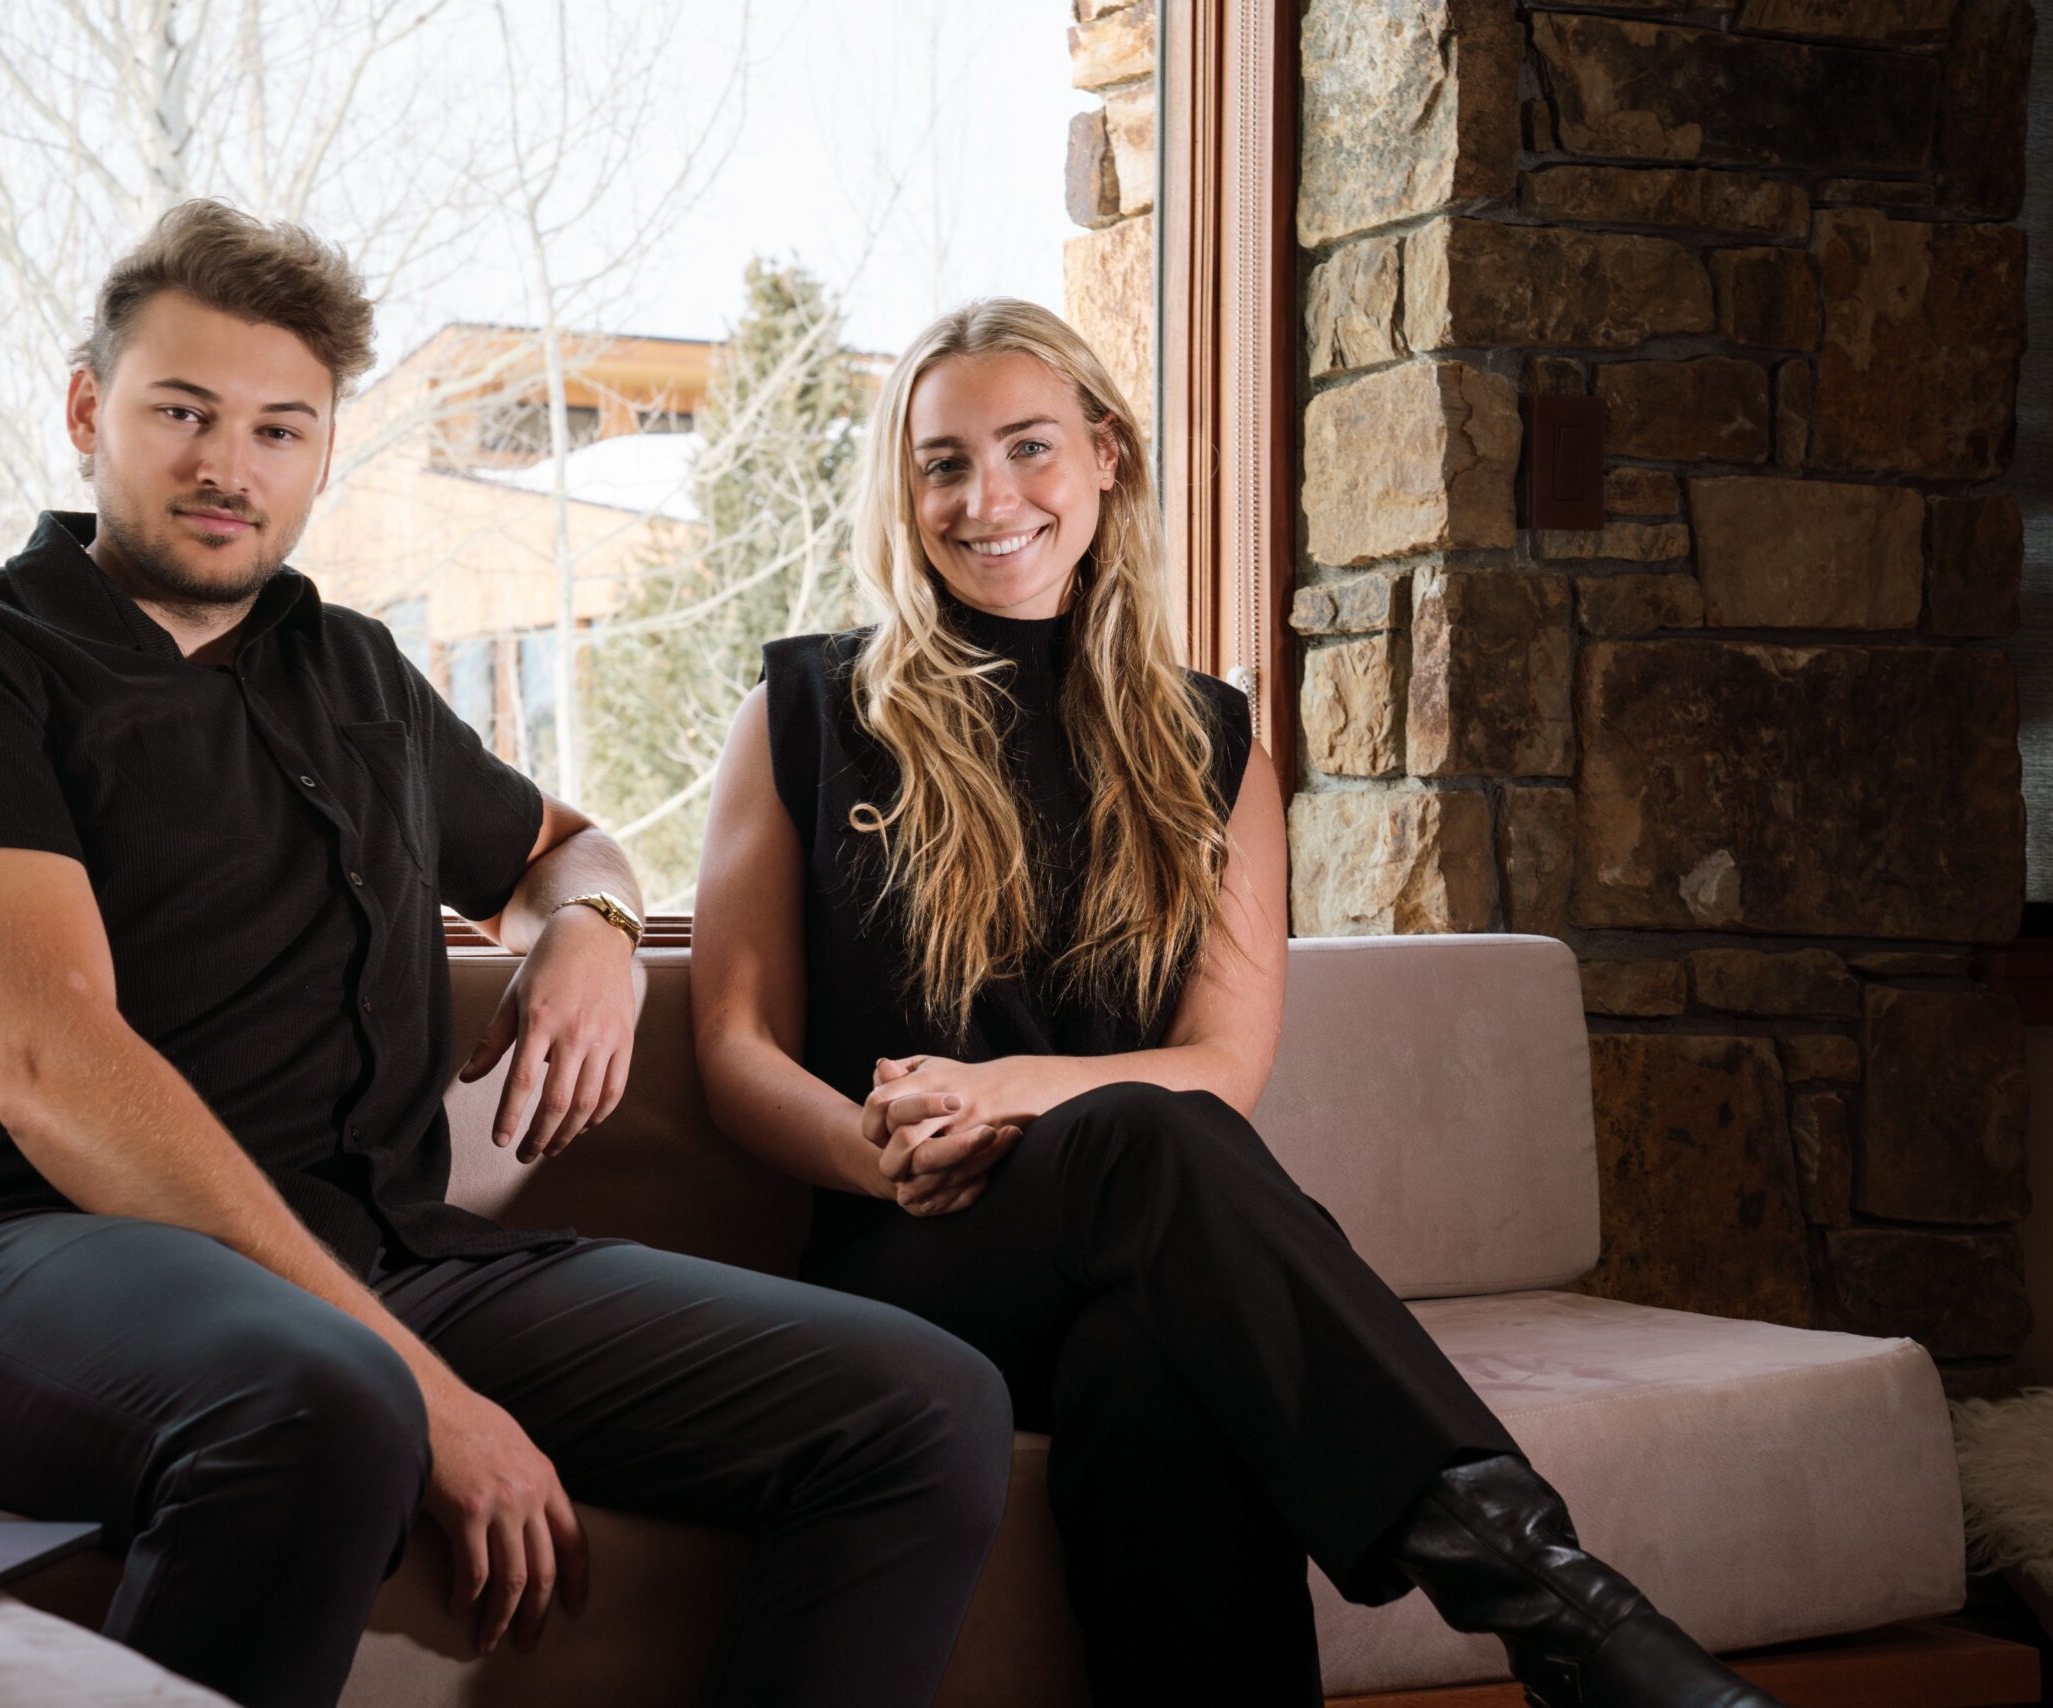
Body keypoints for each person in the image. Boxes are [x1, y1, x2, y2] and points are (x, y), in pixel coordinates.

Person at [0, 199, 1017, 1708]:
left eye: (279, 428)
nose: (226, 464)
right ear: (84, 410)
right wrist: (419, 1386)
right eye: (183, 411)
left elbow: (565, 849)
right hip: (17, 1265)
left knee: (920, 1402)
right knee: (327, 1403)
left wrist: (590, 929)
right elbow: (56, 1068)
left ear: (321, 451)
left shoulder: (349, 669)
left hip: (390, 1257)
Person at [689, 297, 1784, 1708]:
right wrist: (879, 1150)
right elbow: (732, 1047)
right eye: (942, 462)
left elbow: (1224, 1059)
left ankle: (1548, 1608)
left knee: (1157, 1363)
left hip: (1151, 1253)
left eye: (1027, 448)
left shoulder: (1207, 738)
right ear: (904, 490)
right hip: (913, 1259)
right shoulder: (808, 708)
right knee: (1155, 1148)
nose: (987, 497)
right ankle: (1558, 1608)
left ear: (1105, 458)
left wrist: (1011, 1088)